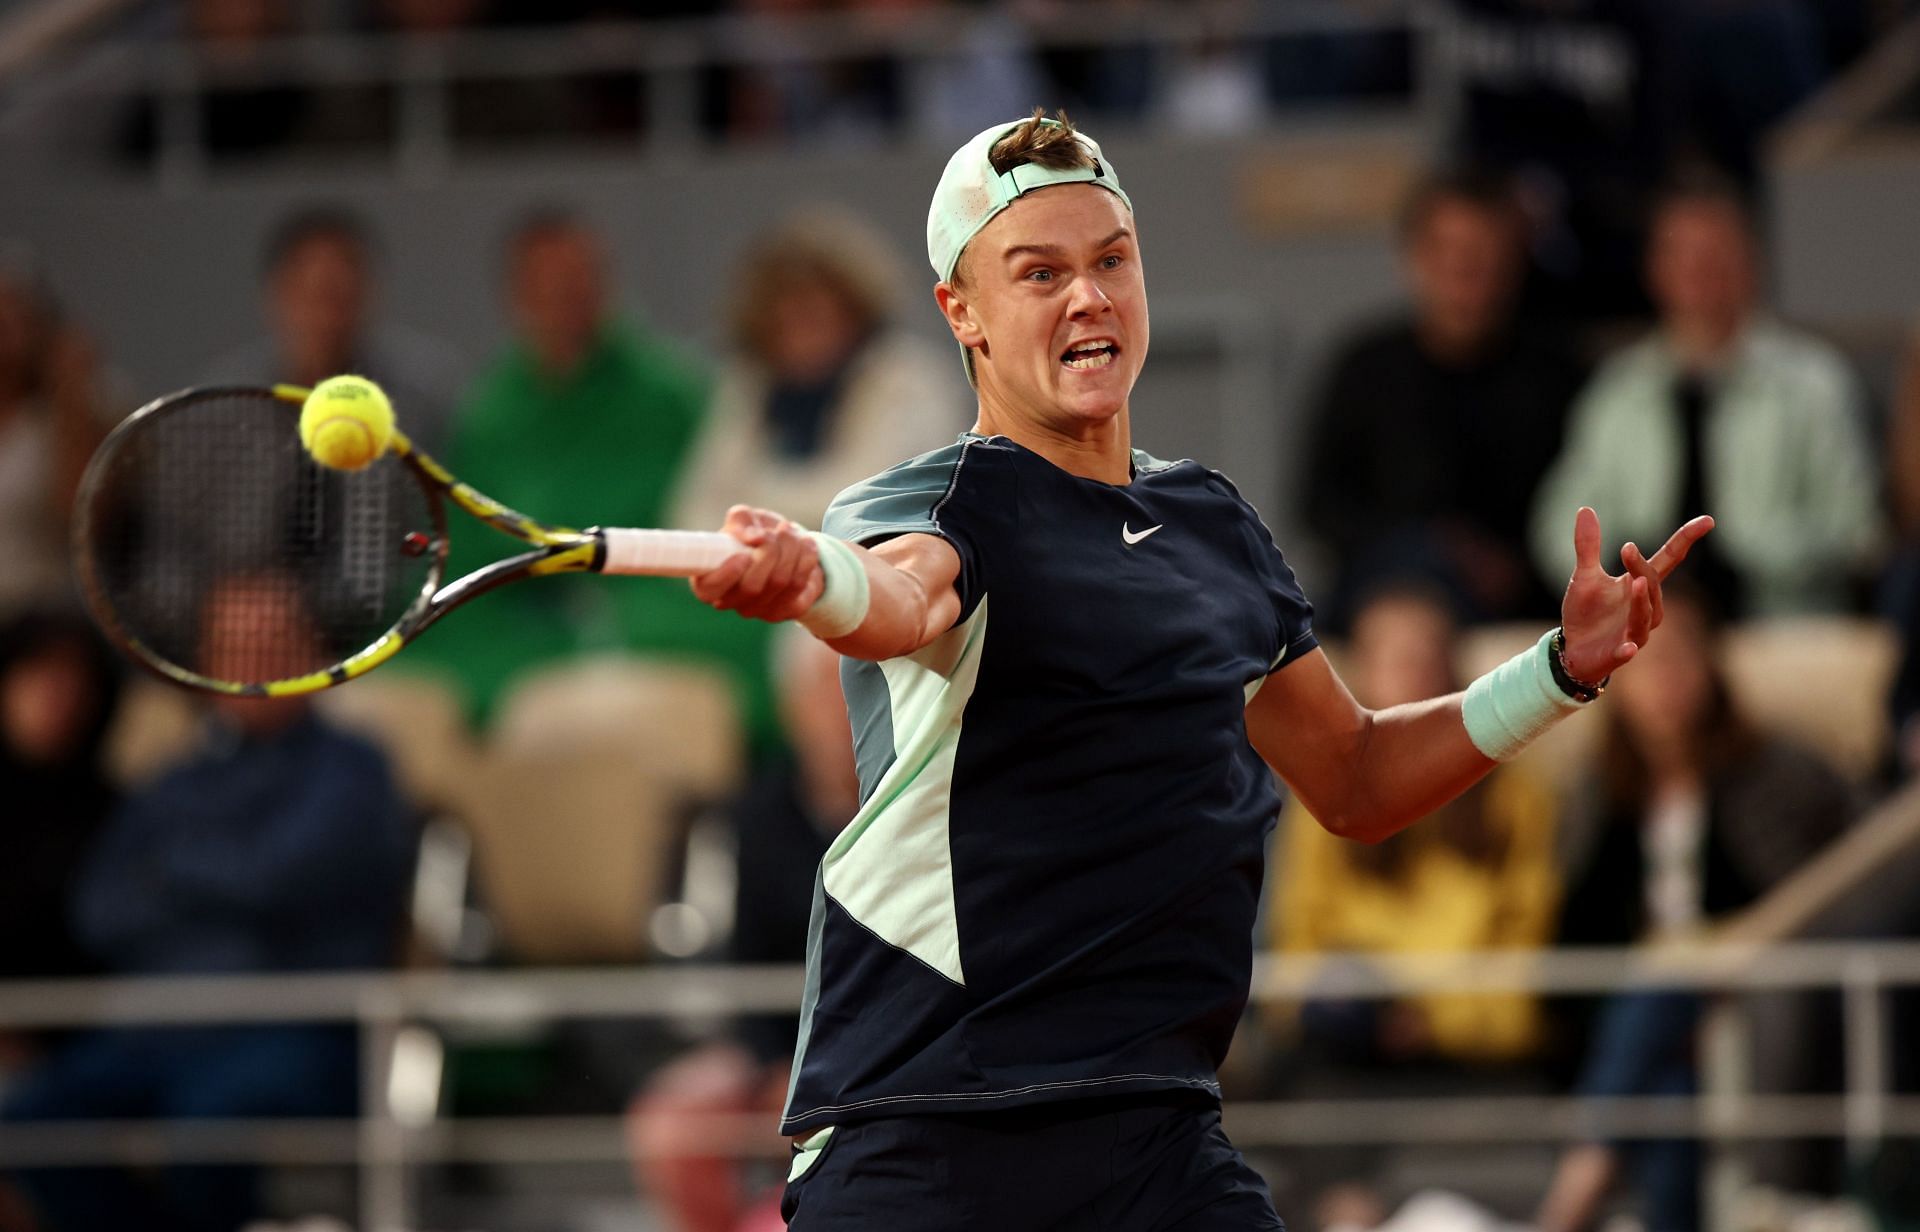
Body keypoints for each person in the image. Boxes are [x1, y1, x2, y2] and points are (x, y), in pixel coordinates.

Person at [683, 109, 1711, 1231]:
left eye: (1110, 261)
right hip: (926, 1127)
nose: (1089, 297)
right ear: (961, 312)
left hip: (1158, 1137)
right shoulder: (926, 505)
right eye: (1039, 272)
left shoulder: (1213, 525)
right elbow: (896, 595)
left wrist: (1560, 669)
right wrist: (810, 584)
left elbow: (1356, 776)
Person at [0, 575, 415, 1232]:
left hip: (297, 1029)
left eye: (269, 642)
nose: (250, 665)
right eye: (231, 646)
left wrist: (176, 873)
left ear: (313, 650)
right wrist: (227, 883)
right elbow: (102, 909)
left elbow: (277, 880)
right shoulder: (179, 776)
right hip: (163, 1030)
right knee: (27, 1123)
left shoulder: (354, 772)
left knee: (205, 1126)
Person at [1538, 583, 1857, 1232]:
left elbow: (1820, 898)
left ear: (1714, 668)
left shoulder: (1778, 777)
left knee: (1667, 981)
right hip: (1649, 1026)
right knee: (1670, 1093)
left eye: (1681, 657)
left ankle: (1571, 1198)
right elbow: (1575, 936)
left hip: (1762, 995)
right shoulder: (1598, 797)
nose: (1666, 681)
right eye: (1644, 664)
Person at [406, 209, 718, 726]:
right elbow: (471, 552)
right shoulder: (490, 412)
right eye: (547, 286)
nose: (567, 299)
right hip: (520, 615)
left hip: (648, 602)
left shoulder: (672, 395)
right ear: (517, 299)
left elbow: (700, 522)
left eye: (580, 280)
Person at [1530, 176, 1879, 619]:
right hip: (1650, 632)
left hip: (1776, 624)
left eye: (1717, 255)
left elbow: (1859, 530)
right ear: (1655, 268)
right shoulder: (1617, 391)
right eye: (1683, 255)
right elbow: (1555, 528)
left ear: (1752, 262)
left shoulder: (1815, 384)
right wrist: (1623, 570)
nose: (1700, 271)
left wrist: (1747, 553)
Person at [627, 629, 858, 1232]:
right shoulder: (754, 816)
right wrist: (771, 1067)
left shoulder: (922, 805)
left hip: (893, 1059)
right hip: (782, 1055)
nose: (843, 709)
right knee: (672, 1124)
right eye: (823, 692)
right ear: (791, 706)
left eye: (859, 687)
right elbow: (745, 964)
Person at [1301, 168, 1585, 625]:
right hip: (1387, 584)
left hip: (1527, 599)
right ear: (1414, 258)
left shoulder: (1558, 376)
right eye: (1451, 255)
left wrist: (1515, 566)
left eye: (1487, 257)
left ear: (1515, 263)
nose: (1468, 275)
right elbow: (1321, 509)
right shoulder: (1364, 366)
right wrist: (1434, 549)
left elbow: (1585, 508)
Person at [673, 207, 967, 536]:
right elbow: (696, 514)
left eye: (814, 315)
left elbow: (870, 507)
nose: (801, 336)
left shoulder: (912, 383)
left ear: (854, 311)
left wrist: (754, 524)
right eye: (783, 321)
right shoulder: (746, 388)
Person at [201, 207, 467, 454]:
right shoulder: (226, 405)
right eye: (314, 295)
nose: (327, 318)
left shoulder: (426, 396)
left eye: (341, 297)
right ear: (276, 295)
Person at [0, 248, 117, 617]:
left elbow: (84, 516)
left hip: (45, 622)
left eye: (15, 313)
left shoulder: (83, 406)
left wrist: (71, 392)